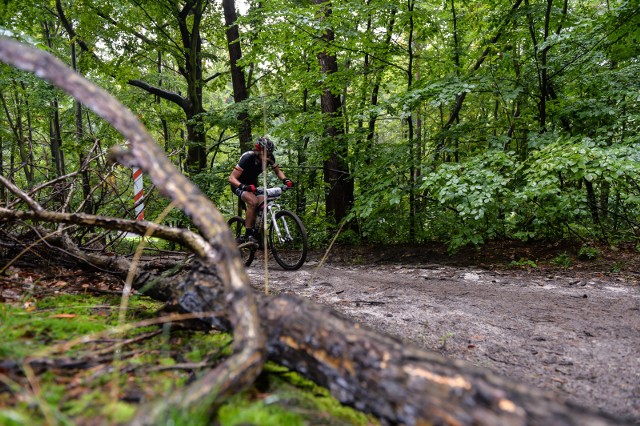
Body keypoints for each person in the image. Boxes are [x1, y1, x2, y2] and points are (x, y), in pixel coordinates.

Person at [228, 137, 294, 243]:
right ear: (258, 150)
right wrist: (243, 187)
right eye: (265, 153)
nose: (267, 157)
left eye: (269, 153)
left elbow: (278, 171)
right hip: (238, 185)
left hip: (252, 186)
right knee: (253, 202)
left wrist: (285, 180)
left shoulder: (270, 157)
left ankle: (256, 230)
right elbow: (231, 178)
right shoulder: (248, 157)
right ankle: (249, 233)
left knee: (263, 201)